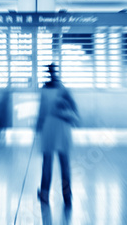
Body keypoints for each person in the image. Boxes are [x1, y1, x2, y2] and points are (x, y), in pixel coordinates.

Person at [36, 63, 79, 207]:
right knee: (65, 164)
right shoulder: (64, 89)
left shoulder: (44, 90)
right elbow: (74, 108)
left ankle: (44, 194)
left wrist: (38, 127)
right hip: (63, 127)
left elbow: (41, 112)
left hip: (48, 127)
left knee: (47, 162)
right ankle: (67, 196)